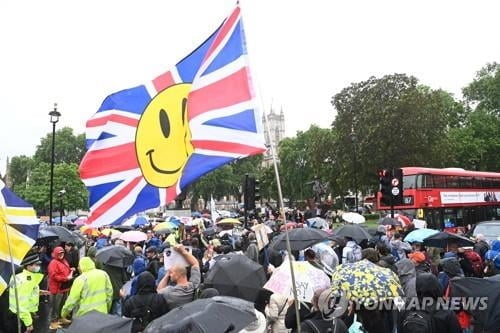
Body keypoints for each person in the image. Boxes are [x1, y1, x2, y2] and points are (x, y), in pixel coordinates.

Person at [7, 252, 47, 333]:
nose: (38, 267)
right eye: (36, 264)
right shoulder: (26, 280)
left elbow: (22, 293)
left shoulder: (20, 276)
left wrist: (37, 292)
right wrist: (29, 324)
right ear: (28, 266)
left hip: (18, 313)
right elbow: (21, 304)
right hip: (22, 317)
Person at [157, 244, 201, 309]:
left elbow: (159, 290)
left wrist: (167, 275)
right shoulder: (194, 286)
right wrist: (183, 252)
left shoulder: (170, 292)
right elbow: (195, 263)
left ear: (178, 275)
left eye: (171, 273)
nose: (170, 274)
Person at [47, 246, 74, 329]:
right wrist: (66, 278)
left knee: (61, 305)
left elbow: (66, 269)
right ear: (55, 254)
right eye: (59, 253)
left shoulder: (64, 261)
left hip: (64, 288)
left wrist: (71, 270)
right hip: (57, 289)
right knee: (55, 306)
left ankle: (61, 318)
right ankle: (53, 322)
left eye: (62, 253)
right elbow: (53, 276)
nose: (61, 254)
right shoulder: (53, 263)